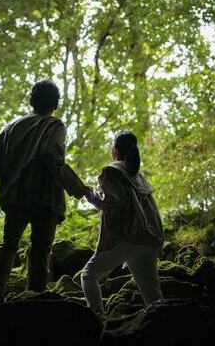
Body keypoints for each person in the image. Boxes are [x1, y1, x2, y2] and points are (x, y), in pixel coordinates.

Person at [0, 79, 89, 292]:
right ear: (55, 104)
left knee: (8, 246)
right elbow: (52, 158)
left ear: (31, 101)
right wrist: (78, 188)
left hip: (15, 198)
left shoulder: (11, 127)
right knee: (41, 250)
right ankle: (35, 298)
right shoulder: (55, 125)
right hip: (45, 200)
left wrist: (13, 181)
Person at [80, 130, 164, 314]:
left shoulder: (112, 171)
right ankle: (163, 328)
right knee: (153, 295)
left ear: (115, 149)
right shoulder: (139, 177)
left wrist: (89, 194)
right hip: (148, 239)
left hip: (127, 238)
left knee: (88, 276)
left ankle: (97, 320)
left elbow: (112, 201)